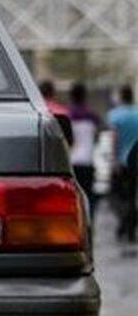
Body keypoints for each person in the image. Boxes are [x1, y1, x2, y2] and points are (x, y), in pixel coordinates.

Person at [108, 84, 138, 244]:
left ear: (121, 96)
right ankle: (130, 229)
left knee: (118, 196)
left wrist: (114, 160)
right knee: (132, 196)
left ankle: (123, 225)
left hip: (122, 161)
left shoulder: (115, 115)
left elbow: (115, 138)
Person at [67, 83, 101, 220]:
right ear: (84, 96)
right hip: (88, 161)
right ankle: (89, 222)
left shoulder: (68, 115)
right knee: (89, 196)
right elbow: (97, 137)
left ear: (71, 96)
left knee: (75, 196)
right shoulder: (93, 116)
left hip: (72, 161)